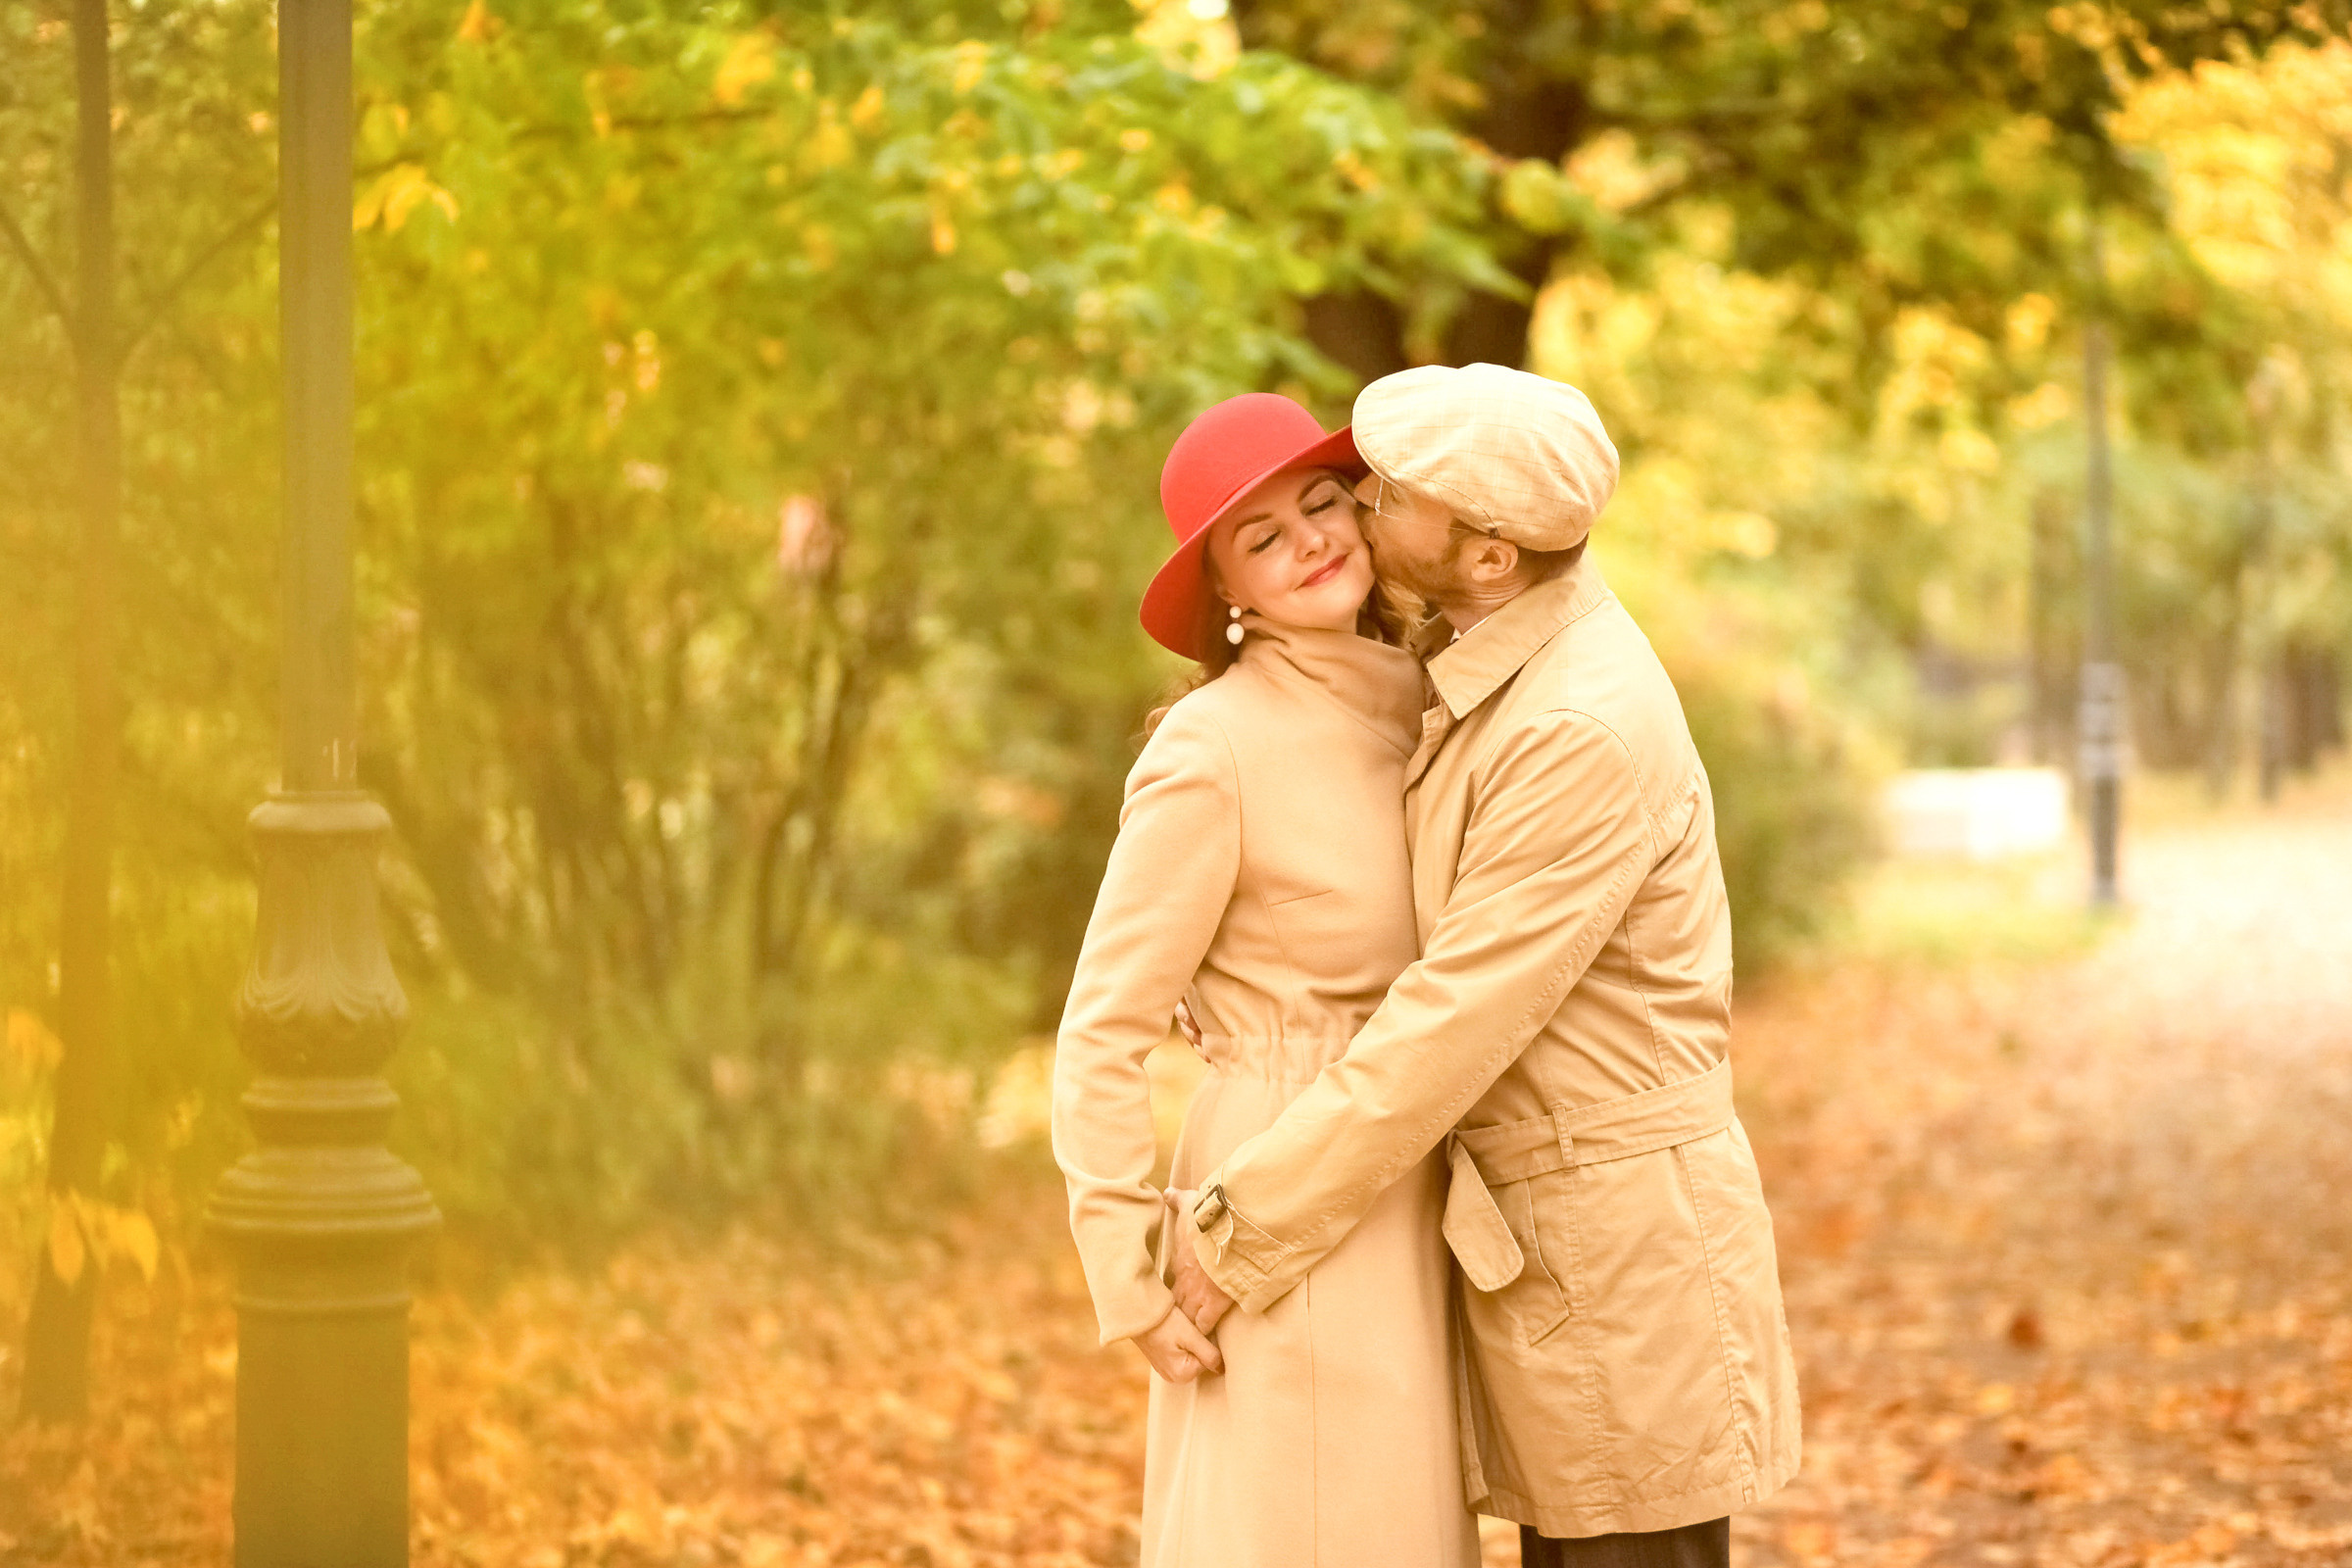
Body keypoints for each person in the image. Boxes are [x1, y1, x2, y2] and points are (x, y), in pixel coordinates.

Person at [1168, 364, 1803, 1568]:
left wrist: (1237, 1230)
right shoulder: (1491, 671)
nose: (1353, 508)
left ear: (1490, 556)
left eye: (1388, 496)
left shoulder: (1573, 727)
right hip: (1556, 1258)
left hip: (1622, 1273)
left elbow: (1453, 1017)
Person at [1051, 393, 1481, 1568]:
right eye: (1264, 537)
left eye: (1321, 503)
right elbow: (1102, 1027)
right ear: (1227, 591)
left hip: (1402, 1168)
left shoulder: (1426, 701)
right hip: (1277, 1185)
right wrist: (1124, 1262)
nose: (1312, 542)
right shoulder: (1212, 747)